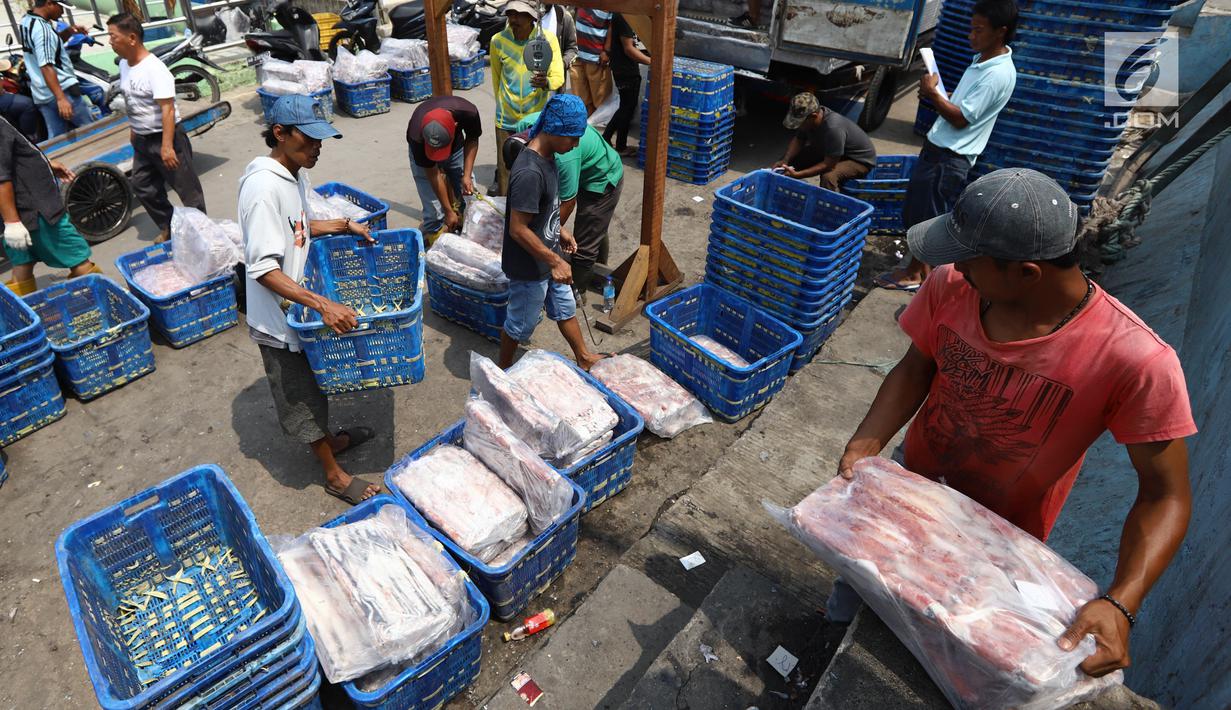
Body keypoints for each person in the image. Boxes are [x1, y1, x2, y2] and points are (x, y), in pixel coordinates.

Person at [834, 168, 1194, 679]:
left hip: (998, 544)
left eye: (968, 259)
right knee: (858, 599)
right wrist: (865, 444)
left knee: (934, 658)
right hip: (905, 495)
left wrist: (1122, 601)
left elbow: (1166, 495)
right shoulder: (951, 286)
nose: (954, 267)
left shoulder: (1136, 360)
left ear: (1025, 273)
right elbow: (917, 367)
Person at [238, 94, 381, 506]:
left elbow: (297, 227)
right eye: (309, 139)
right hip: (279, 318)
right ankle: (333, 475)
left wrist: (342, 224)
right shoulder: (263, 188)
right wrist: (323, 304)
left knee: (316, 385)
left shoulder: (294, 172)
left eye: (322, 139)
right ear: (280, 133)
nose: (318, 147)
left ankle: (330, 440)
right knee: (299, 394)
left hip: (298, 306)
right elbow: (263, 268)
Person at [877, 0, 1017, 292]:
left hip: (949, 157)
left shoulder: (997, 73)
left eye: (978, 30)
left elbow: (961, 119)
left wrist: (933, 95)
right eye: (971, 28)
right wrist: (942, 94)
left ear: (1000, 32)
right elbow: (965, 103)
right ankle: (923, 272)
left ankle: (915, 275)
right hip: (940, 151)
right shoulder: (982, 60)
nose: (971, 35)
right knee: (921, 213)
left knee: (927, 219)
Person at [498, 94, 606, 372]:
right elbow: (518, 229)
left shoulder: (550, 158)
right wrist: (555, 261)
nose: (576, 144)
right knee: (520, 325)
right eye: (573, 138)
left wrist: (559, 230)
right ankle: (502, 371)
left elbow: (543, 211)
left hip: (548, 256)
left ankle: (583, 356)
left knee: (565, 308)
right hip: (529, 267)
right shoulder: (529, 172)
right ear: (556, 131)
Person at [108, 13, 207, 244]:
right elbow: (132, 100)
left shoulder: (154, 69)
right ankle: (170, 226)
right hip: (142, 139)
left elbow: (168, 110)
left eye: (113, 36)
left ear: (132, 38)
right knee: (142, 186)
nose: (110, 42)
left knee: (188, 191)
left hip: (166, 137)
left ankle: (203, 236)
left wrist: (166, 146)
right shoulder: (124, 65)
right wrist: (134, 129)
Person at [509, 107, 624, 296]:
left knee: (587, 237)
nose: (576, 143)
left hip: (602, 178)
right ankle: (592, 260)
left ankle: (577, 289)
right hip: (580, 167)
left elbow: (567, 203)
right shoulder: (524, 127)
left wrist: (547, 235)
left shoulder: (566, 156)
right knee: (591, 228)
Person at [0, 117, 100, 294]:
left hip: (20, 208)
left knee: (23, 263)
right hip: (36, 211)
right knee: (78, 259)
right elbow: (1, 178)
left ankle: (21, 318)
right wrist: (12, 222)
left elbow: (12, 155)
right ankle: (109, 304)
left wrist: (44, 162)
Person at [489, 0, 564, 196]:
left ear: (532, 17)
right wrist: (502, 105)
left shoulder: (546, 41)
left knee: (533, 169)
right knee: (506, 169)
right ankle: (507, 211)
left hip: (534, 120)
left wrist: (545, 83)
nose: (513, 18)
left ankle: (530, 210)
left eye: (519, 14)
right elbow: (496, 79)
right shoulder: (498, 40)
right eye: (510, 13)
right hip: (505, 119)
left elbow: (558, 77)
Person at [405, 96, 481, 239]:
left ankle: (468, 228)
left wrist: (466, 174)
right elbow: (433, 174)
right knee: (434, 213)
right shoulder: (416, 136)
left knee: (471, 198)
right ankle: (432, 237)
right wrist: (448, 211)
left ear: (456, 125)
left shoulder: (468, 112)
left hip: (456, 148)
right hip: (425, 153)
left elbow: (472, 138)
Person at [19, 0, 95, 138]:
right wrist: (61, 98)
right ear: (49, 3)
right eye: (61, 7)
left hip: (42, 93)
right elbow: (46, 65)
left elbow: (47, 45)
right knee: (90, 131)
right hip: (62, 91)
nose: (62, 12)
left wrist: (69, 32)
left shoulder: (27, 21)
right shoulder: (43, 30)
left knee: (57, 139)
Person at [775, 92, 877, 191]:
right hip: (831, 151)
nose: (798, 126)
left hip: (858, 160)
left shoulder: (833, 128)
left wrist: (799, 174)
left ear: (814, 116)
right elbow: (799, 139)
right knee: (787, 164)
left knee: (828, 177)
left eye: (800, 122)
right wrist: (785, 160)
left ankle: (832, 205)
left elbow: (829, 164)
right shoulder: (809, 120)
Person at [602, 13, 651, 157]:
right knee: (627, 108)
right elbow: (629, 49)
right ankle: (621, 146)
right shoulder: (627, 16)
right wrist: (652, 61)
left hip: (619, 67)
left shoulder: (619, 13)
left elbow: (609, 44)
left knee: (625, 106)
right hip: (626, 69)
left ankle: (606, 137)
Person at [570, 7, 613, 115]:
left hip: (596, 57)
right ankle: (585, 124)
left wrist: (607, 51)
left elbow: (613, 26)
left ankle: (600, 128)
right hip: (577, 55)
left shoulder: (609, 5)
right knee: (581, 99)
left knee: (601, 101)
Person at [541, 3, 577, 88]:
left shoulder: (563, 16)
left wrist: (559, 65)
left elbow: (572, 49)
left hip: (553, 89)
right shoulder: (521, 13)